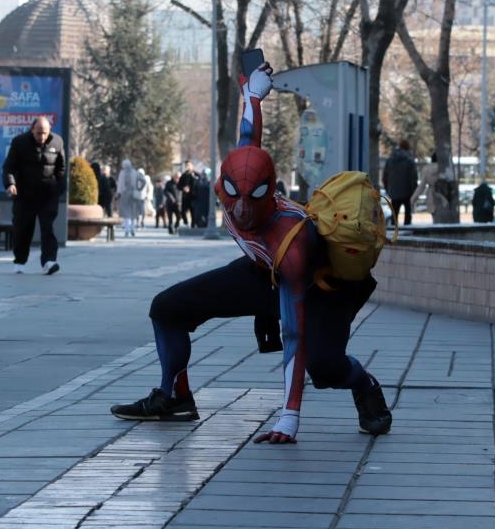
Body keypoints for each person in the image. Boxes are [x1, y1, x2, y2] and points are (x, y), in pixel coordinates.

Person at [110, 59, 392, 444]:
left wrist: (288, 417)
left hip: (317, 283)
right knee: (167, 307)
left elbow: (294, 332)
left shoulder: (291, 240)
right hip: (263, 270)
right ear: (223, 184)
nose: (241, 209)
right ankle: (174, 397)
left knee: (324, 367)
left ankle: (365, 383)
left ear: (270, 189)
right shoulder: (237, 181)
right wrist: (253, 94)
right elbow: (249, 140)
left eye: (253, 198)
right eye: (234, 196)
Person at [3, 116, 66, 275]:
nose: (42, 137)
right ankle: (20, 261)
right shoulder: (20, 142)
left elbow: (61, 169)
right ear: (32, 130)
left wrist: (58, 189)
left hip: (48, 195)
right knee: (23, 228)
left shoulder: (58, 142)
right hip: (25, 195)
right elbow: (9, 167)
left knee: (48, 228)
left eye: (44, 133)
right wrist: (11, 184)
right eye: (38, 133)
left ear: (50, 130)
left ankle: (49, 261)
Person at [382, 139, 418, 226]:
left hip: (394, 192)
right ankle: (408, 235)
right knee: (407, 216)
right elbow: (414, 178)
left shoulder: (390, 160)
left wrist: (388, 190)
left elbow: (384, 177)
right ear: (408, 148)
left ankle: (395, 235)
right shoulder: (410, 161)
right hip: (407, 192)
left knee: (394, 216)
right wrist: (414, 191)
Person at [117, 159, 140, 237]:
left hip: (125, 194)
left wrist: (118, 193)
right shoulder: (135, 172)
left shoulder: (122, 173)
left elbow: (120, 184)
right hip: (133, 194)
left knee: (126, 213)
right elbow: (142, 181)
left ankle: (127, 229)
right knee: (133, 212)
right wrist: (139, 189)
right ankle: (132, 228)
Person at [414, 152, 439, 218]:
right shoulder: (444, 168)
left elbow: (421, 186)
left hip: (431, 195)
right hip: (444, 196)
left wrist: (413, 199)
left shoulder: (427, 169)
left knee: (435, 217)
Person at [179, 160, 198, 226]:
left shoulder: (196, 174)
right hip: (185, 197)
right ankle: (186, 223)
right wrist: (183, 188)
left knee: (193, 212)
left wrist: (194, 177)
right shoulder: (184, 175)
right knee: (183, 212)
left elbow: (198, 184)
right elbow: (179, 186)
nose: (187, 166)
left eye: (188, 165)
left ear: (192, 165)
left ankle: (193, 226)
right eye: (186, 165)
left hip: (194, 197)